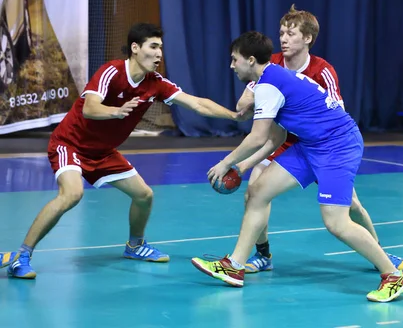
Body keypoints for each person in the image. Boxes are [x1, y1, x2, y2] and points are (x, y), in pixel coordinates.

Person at [7, 23, 249, 279]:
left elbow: (197, 103)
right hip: (71, 144)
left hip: (102, 151)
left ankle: (135, 245)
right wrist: (117, 111)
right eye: (153, 47)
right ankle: (21, 256)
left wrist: (233, 116)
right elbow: (90, 108)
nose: (159, 54)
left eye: (161, 49)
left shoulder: (155, 84)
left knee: (144, 195)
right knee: (72, 194)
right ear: (135, 48)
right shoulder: (111, 72)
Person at [191, 31, 403, 303]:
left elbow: (258, 137)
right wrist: (246, 166)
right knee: (259, 192)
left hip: (337, 147)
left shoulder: (268, 85)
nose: (231, 65)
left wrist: (226, 162)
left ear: (250, 60)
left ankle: (393, 276)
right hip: (311, 145)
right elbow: (278, 137)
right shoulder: (272, 77)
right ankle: (235, 266)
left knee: (337, 223)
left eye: (234, 60)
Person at [235, 5, 403, 274]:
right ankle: (260, 256)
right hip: (283, 137)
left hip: (326, 142)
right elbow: (245, 102)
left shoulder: (323, 70)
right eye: (281, 33)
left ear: (307, 38)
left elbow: (334, 115)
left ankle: (378, 253)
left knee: (349, 207)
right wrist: (249, 104)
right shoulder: (269, 65)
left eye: (291, 33)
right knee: (255, 192)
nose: (283, 38)